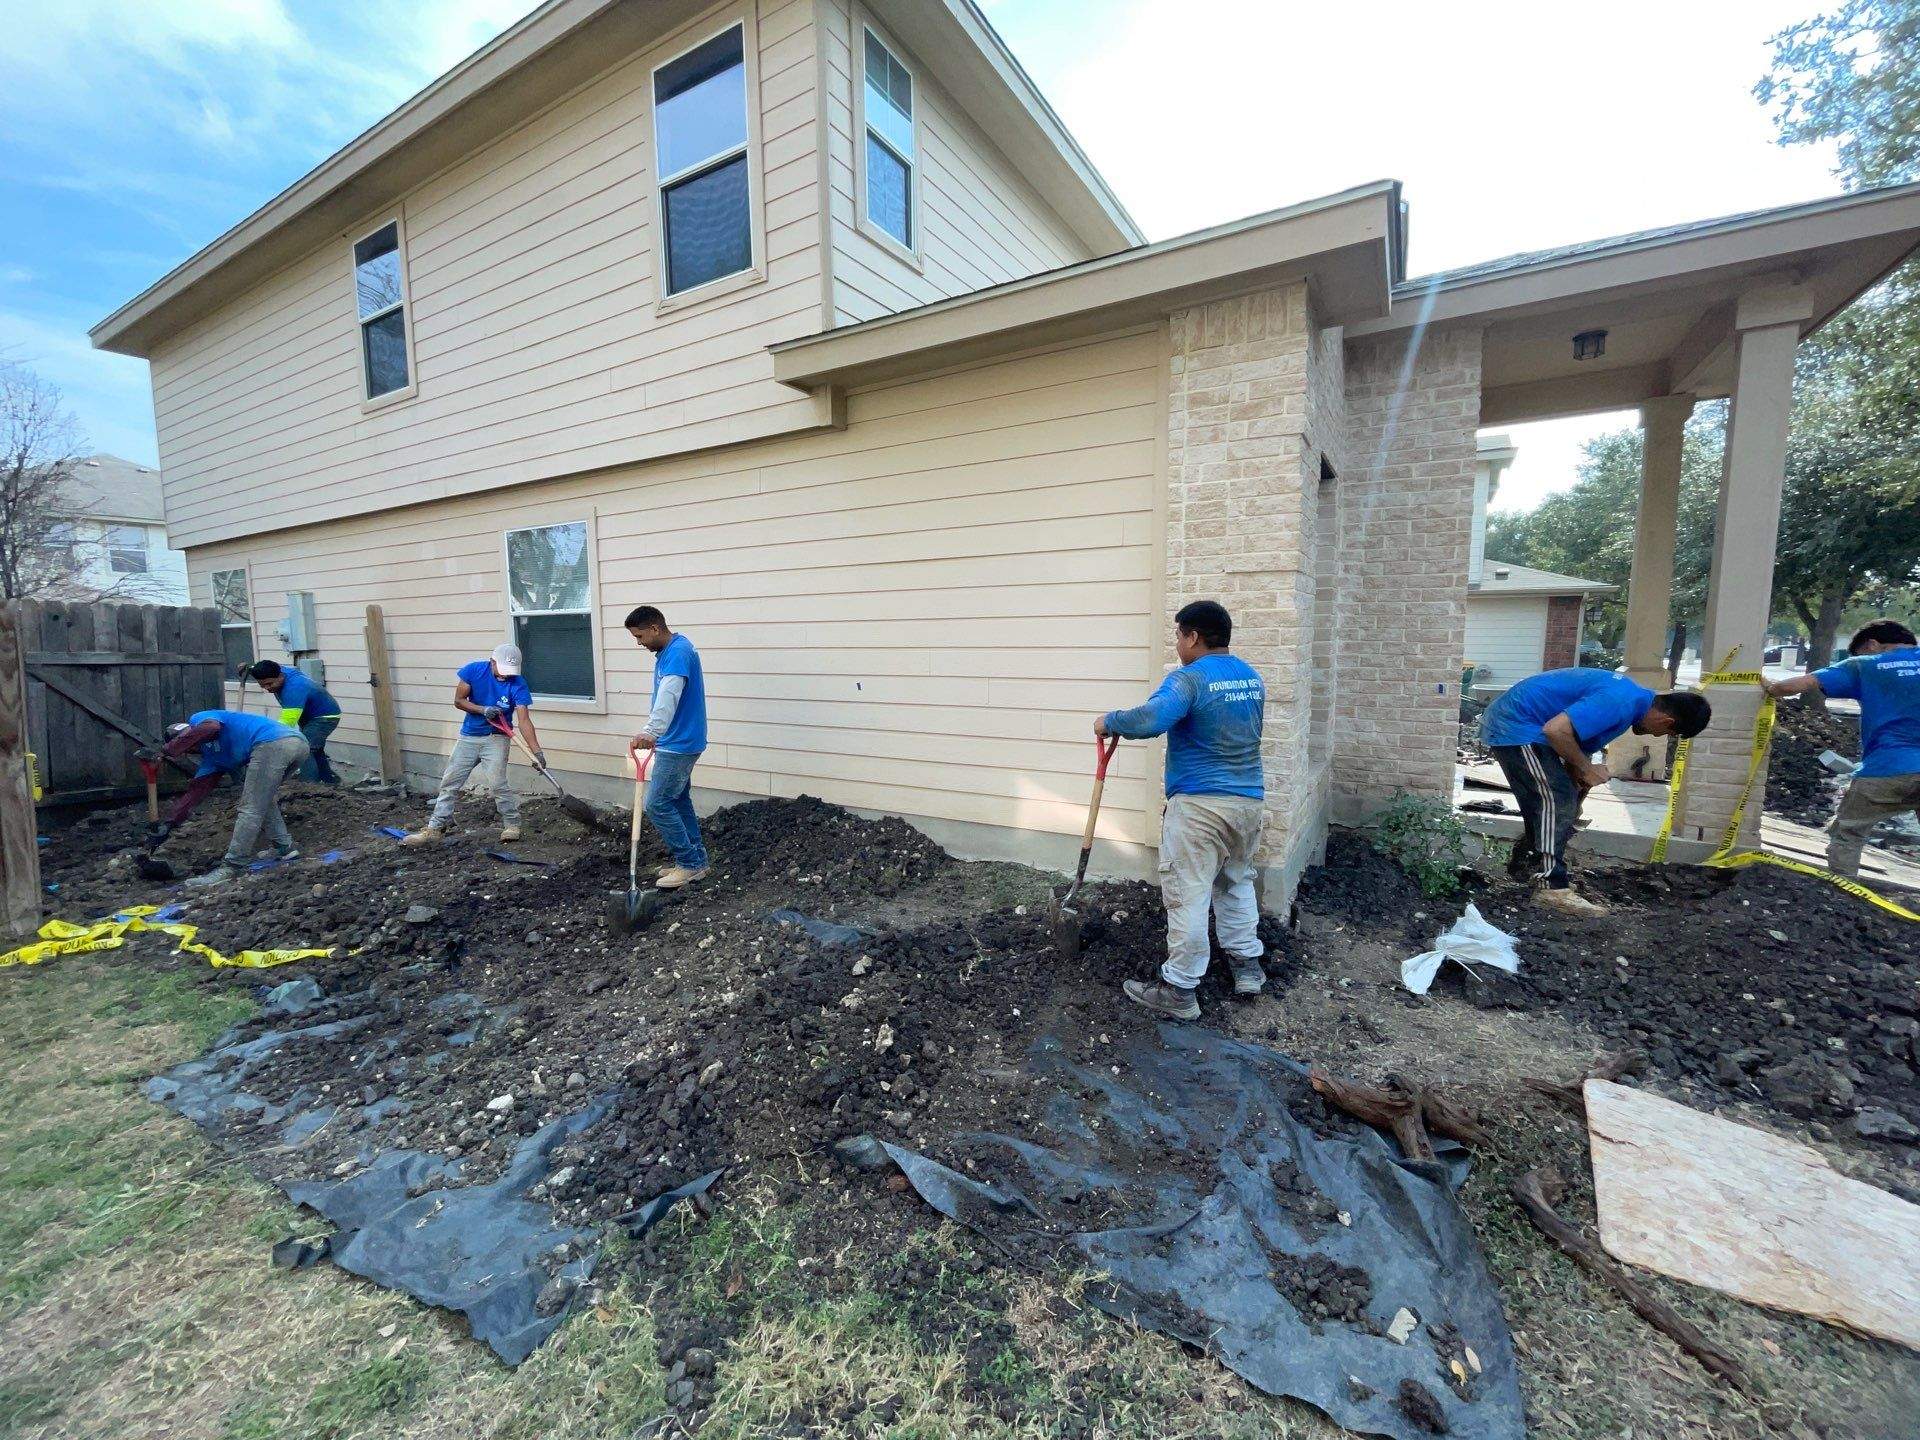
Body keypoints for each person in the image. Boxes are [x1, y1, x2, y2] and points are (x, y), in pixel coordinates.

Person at [1094, 599, 1267, 1021]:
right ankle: (1247, 967)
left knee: (1187, 894)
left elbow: (1152, 719)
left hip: (1200, 807)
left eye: (1178, 635)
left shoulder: (1188, 680)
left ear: (1193, 637)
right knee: (1236, 881)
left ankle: (1179, 989)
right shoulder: (1251, 678)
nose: (1176, 644)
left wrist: (1109, 721)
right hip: (1248, 802)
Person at [1481, 668, 1711, 916]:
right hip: (1518, 725)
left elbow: (1574, 742)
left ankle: (1528, 867)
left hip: (1522, 723)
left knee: (1557, 800)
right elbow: (1555, 730)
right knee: (1556, 801)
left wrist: (1577, 780)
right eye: (1667, 733)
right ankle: (1551, 888)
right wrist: (1585, 768)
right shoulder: (1620, 701)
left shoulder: (1629, 704)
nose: (1658, 735)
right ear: (1668, 723)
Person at [1762, 618, 1920, 878]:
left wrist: (1770, 687)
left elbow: (1792, 687)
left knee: (1848, 832)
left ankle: (1844, 892)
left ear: (1871, 644)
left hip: (1887, 768)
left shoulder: (1865, 664)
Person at [141, 710, 309, 888]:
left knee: (250, 808)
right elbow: (194, 793)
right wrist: (168, 824)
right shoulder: (213, 760)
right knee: (262, 800)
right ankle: (285, 848)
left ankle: (233, 866)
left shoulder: (200, 719)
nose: (193, 745)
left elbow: (212, 727)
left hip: (274, 743)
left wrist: (168, 750)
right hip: (294, 745)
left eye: (188, 739)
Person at [401, 643, 545, 845]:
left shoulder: (518, 683)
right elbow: (459, 700)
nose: (505, 676)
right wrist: (482, 710)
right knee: (450, 782)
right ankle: (435, 828)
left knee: (497, 783)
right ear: (492, 662)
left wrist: (536, 752)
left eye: (509, 672)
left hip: (497, 737)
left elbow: (524, 721)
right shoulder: (474, 671)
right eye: (502, 670)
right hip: (469, 736)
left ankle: (512, 824)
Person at [625, 606, 709, 889]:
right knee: (678, 801)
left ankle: (688, 863)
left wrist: (651, 732)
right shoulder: (672, 651)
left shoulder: (677, 653)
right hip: (678, 740)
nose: (639, 642)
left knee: (658, 804)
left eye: (640, 636)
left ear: (655, 629)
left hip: (679, 743)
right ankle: (697, 862)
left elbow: (668, 697)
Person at [248, 660, 342, 784]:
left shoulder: (294, 689)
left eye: (269, 684)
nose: (267, 688)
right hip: (308, 715)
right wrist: (248, 668)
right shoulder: (275, 670)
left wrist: (266, 742)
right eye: (262, 685)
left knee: (304, 748)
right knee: (315, 749)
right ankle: (329, 781)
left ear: (281, 676)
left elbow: (285, 725)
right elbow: (257, 667)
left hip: (325, 717)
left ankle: (309, 786)